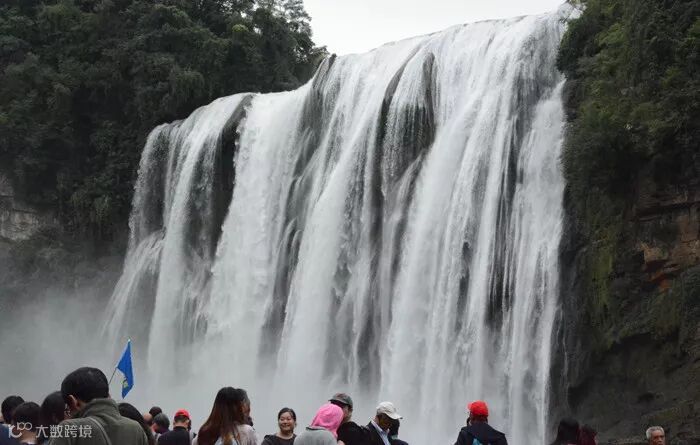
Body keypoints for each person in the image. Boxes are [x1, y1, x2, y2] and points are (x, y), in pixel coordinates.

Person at [48, 366, 149, 445]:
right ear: (108, 395)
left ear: (74, 402)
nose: (69, 413)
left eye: (68, 408)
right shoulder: (136, 429)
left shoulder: (69, 429)